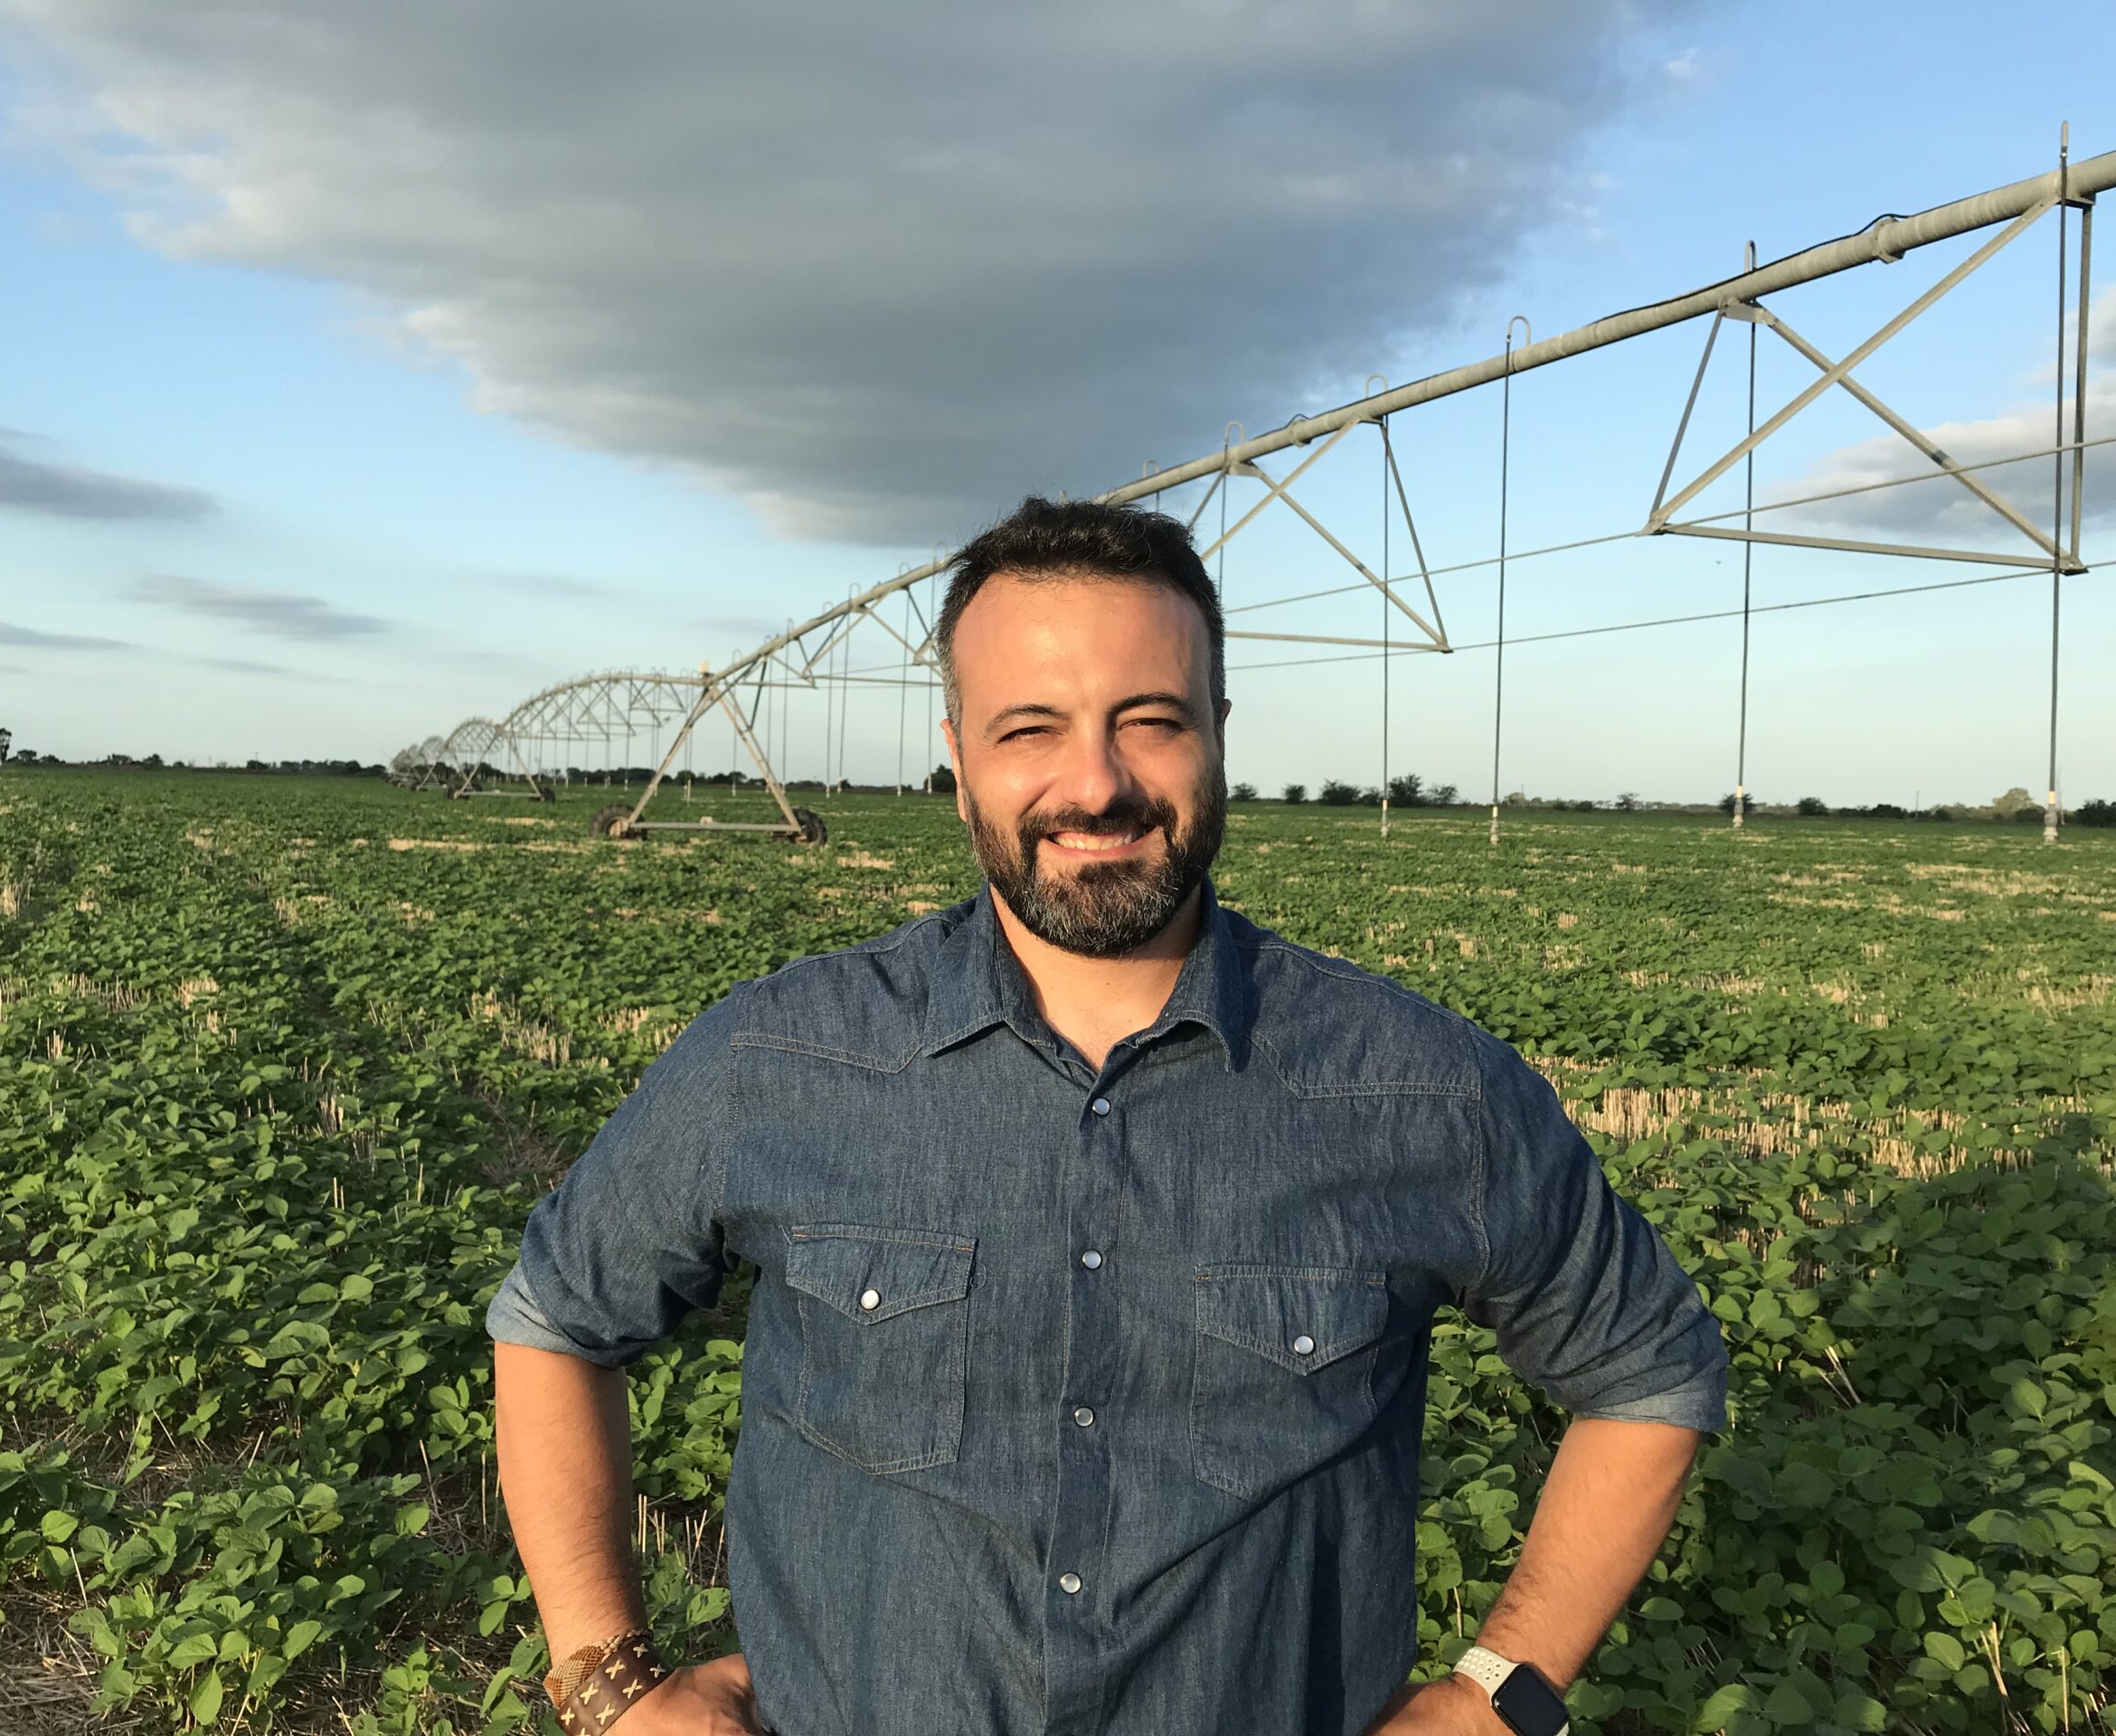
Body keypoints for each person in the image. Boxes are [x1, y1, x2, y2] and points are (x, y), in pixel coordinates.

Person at [488, 495, 1727, 1736]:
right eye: (1031, 727)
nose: (1096, 784)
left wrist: (1495, 1700)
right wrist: (609, 1688)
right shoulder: (780, 1057)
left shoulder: (1419, 1088)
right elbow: (556, 1321)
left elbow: (1651, 1368)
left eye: (1152, 721)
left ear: (1218, 734)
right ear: (959, 757)